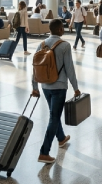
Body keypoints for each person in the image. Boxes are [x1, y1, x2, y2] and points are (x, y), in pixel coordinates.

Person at [33, 19, 80, 164]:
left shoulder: (41, 45)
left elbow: (35, 67)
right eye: (63, 28)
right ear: (60, 29)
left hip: (45, 86)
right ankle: (44, 152)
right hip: (59, 86)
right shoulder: (64, 46)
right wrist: (76, 87)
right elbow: (69, 68)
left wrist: (34, 87)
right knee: (54, 116)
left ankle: (61, 138)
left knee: (54, 113)